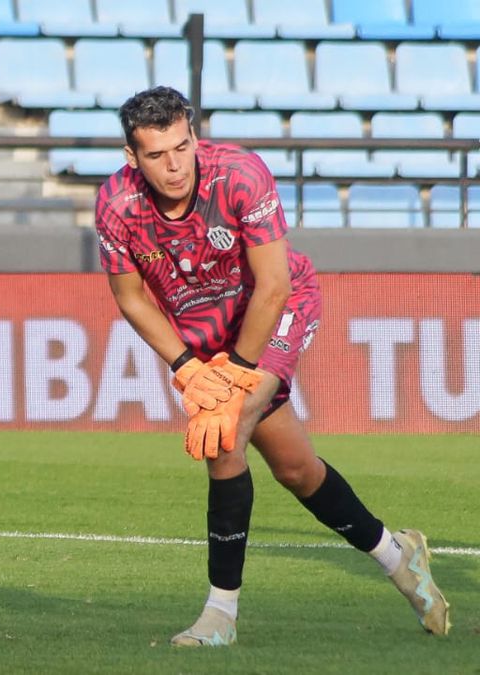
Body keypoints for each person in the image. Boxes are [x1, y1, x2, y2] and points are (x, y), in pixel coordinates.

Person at [94, 87, 450, 646]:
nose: (175, 165)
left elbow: (275, 284)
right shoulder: (117, 204)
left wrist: (234, 375)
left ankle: (220, 615)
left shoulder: (240, 174)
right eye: (158, 155)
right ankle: (396, 554)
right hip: (207, 337)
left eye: (182, 147)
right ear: (131, 157)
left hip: (278, 307)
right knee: (296, 469)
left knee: (226, 433)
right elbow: (132, 297)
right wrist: (187, 367)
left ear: (193, 133)